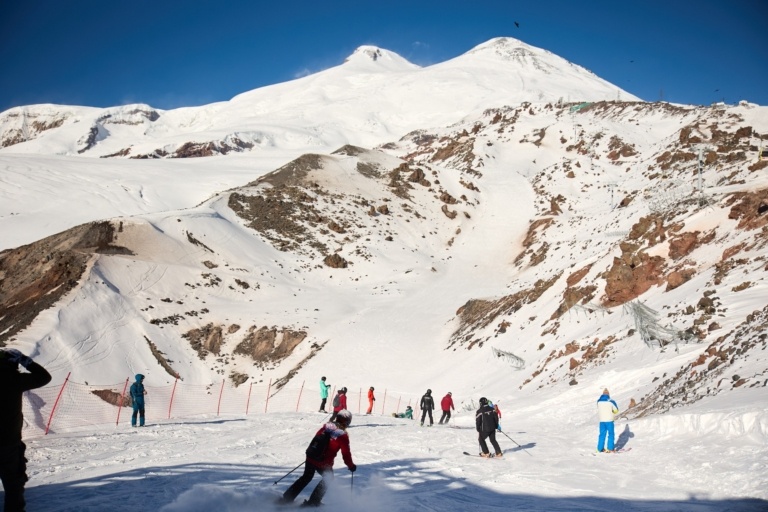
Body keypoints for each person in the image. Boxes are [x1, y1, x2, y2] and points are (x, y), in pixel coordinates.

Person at [0, 348, 52, 512]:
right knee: (13, 483)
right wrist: (25, 360)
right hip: (8, 442)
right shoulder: (14, 379)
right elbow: (45, 377)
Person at [278, 409, 356, 507]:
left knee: (306, 477)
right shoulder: (342, 436)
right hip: (323, 462)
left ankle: (287, 498)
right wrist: (351, 465)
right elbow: (346, 454)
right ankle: (313, 501)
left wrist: (314, 454)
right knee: (328, 478)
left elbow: (316, 441)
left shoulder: (325, 427)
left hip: (311, 457)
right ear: (348, 422)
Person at [596, 388, 619, 453]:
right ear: (608, 394)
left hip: (602, 420)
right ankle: (610, 448)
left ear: (602, 394)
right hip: (609, 420)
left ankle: (599, 449)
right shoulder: (611, 401)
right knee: (611, 434)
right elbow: (616, 410)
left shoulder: (599, 401)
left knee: (602, 434)